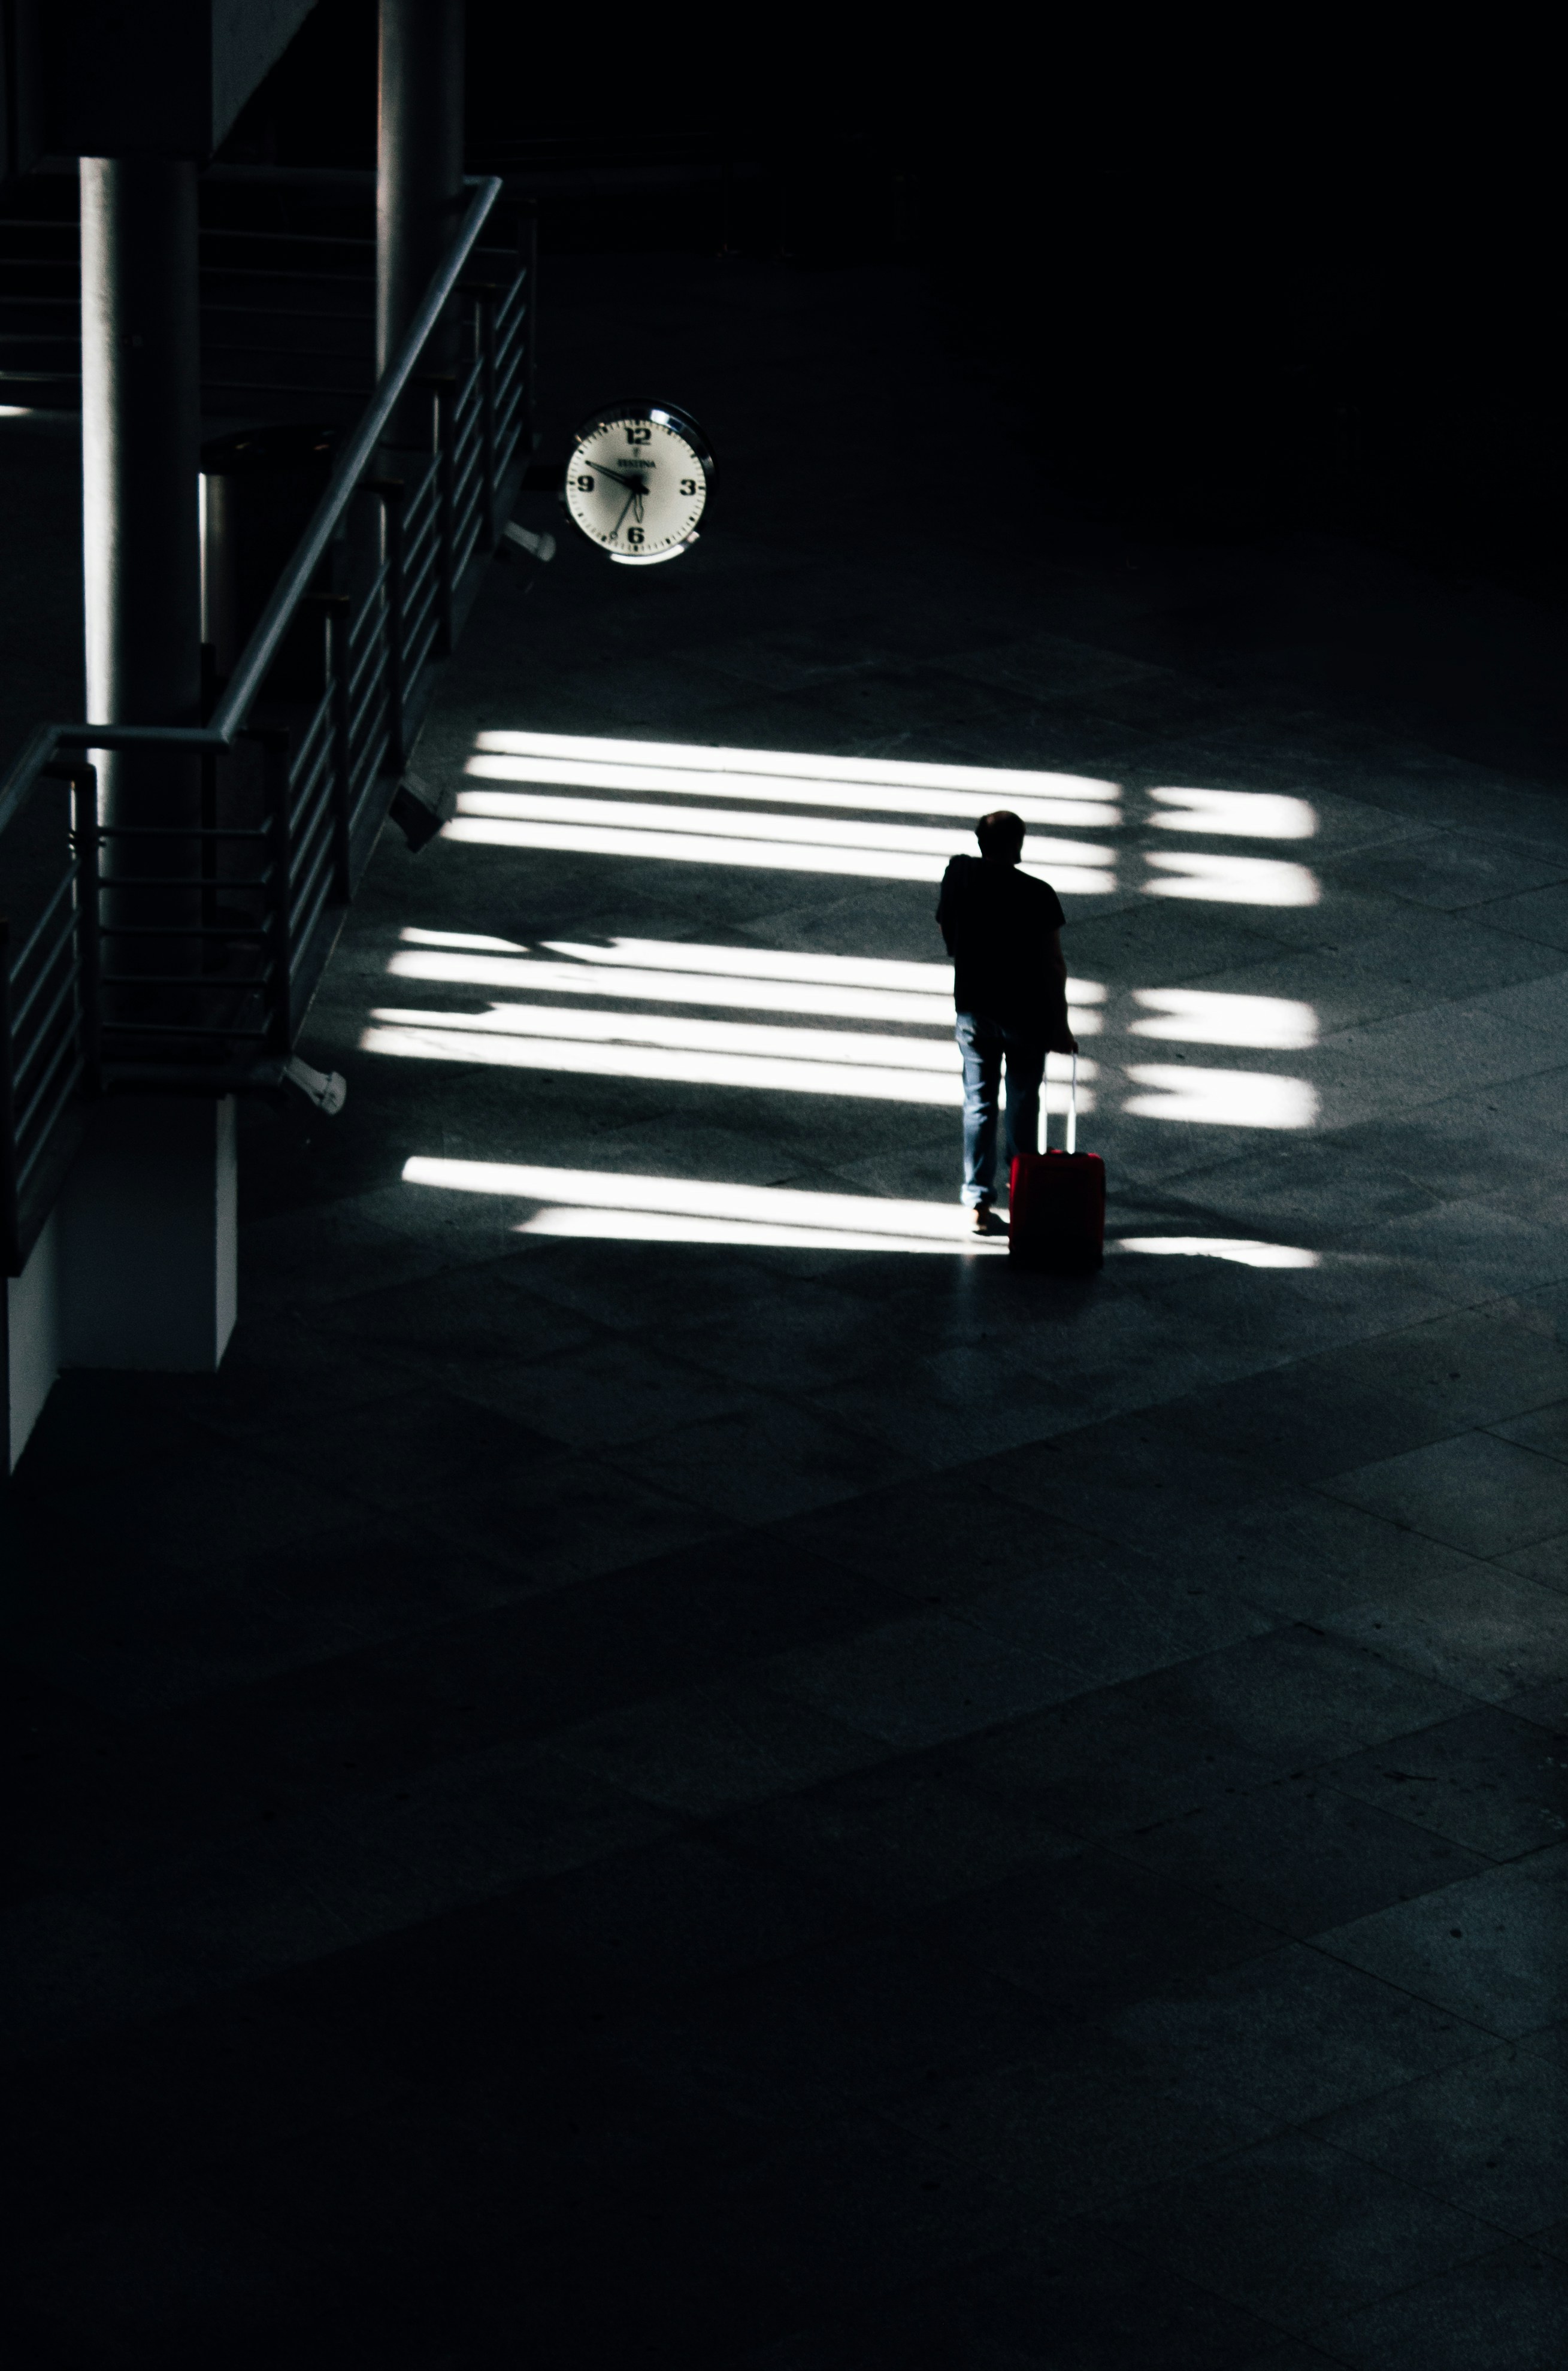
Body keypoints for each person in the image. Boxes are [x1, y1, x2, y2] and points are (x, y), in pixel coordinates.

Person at [937, 810, 1077, 1235]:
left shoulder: (959, 873)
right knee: (1022, 1103)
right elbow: (1052, 965)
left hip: (975, 1010)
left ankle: (978, 1201)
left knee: (979, 1104)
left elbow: (946, 922)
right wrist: (1061, 1025)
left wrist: (958, 948)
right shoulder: (1038, 894)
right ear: (1018, 845)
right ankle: (1024, 1190)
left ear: (981, 843)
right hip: (1026, 1017)